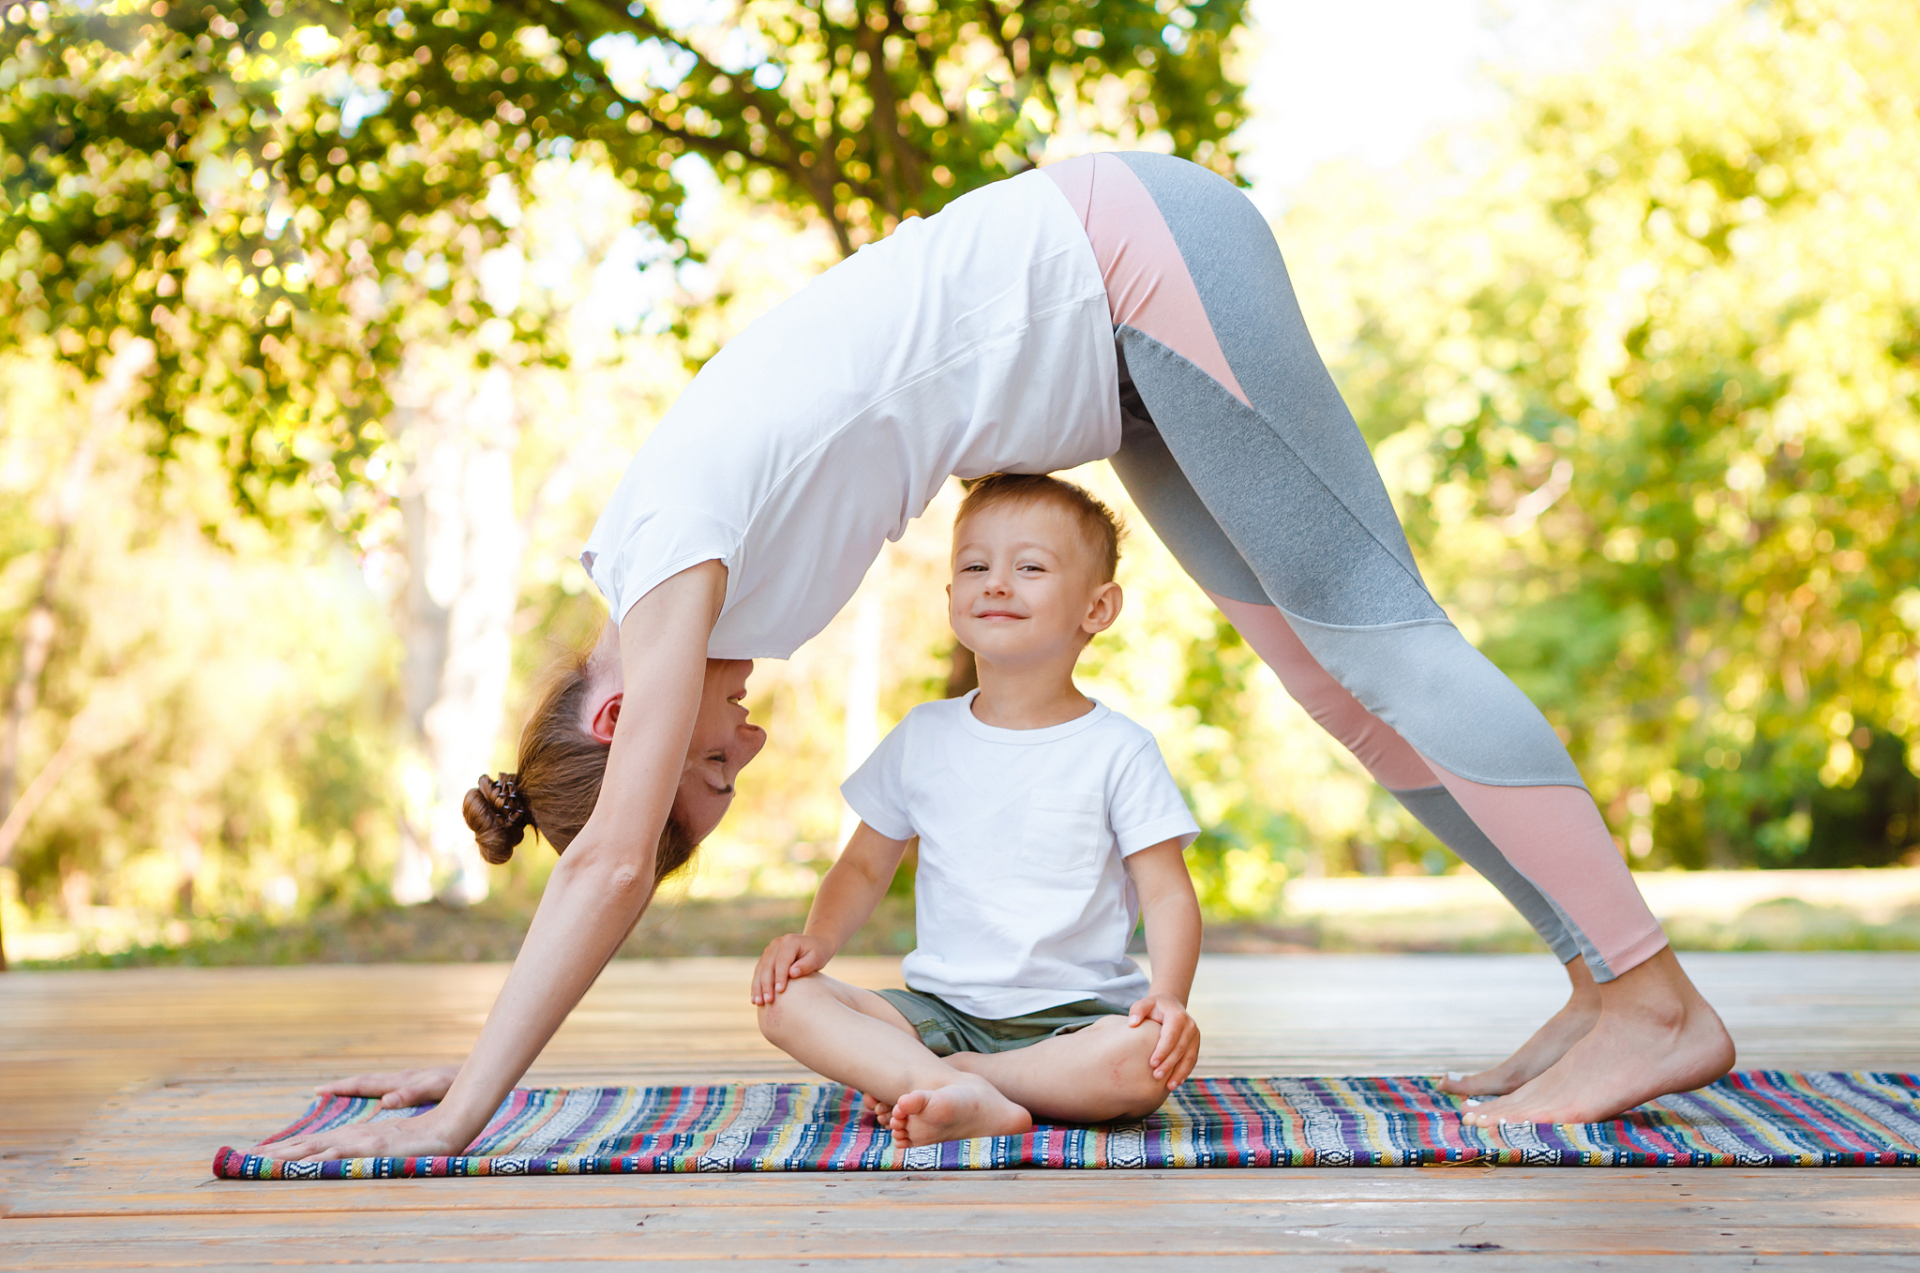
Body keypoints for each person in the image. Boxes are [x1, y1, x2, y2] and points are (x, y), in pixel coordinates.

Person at [252, 150, 1732, 1163]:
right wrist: (484, 1055)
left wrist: (468, 1108)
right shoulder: (668, 575)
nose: (747, 751)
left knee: (1384, 642)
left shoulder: (671, 557)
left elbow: (609, 865)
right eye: (728, 776)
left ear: (623, 709)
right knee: (1338, 687)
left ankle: (1656, 1001)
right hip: (1112, 367)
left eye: (703, 760)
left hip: (1137, 258)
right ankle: (1604, 986)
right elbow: (611, 846)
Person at [751, 474, 1203, 1146]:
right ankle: (952, 1078)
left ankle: (954, 1080)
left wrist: (1167, 997)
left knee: (1140, 1065)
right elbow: (863, 867)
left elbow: (1167, 895)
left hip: (1073, 1024)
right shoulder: (923, 735)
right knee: (785, 1000)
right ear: (952, 599)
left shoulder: (1119, 750)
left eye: (1029, 567)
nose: (995, 583)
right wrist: (818, 942)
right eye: (974, 566)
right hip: (938, 1013)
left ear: (1098, 608)